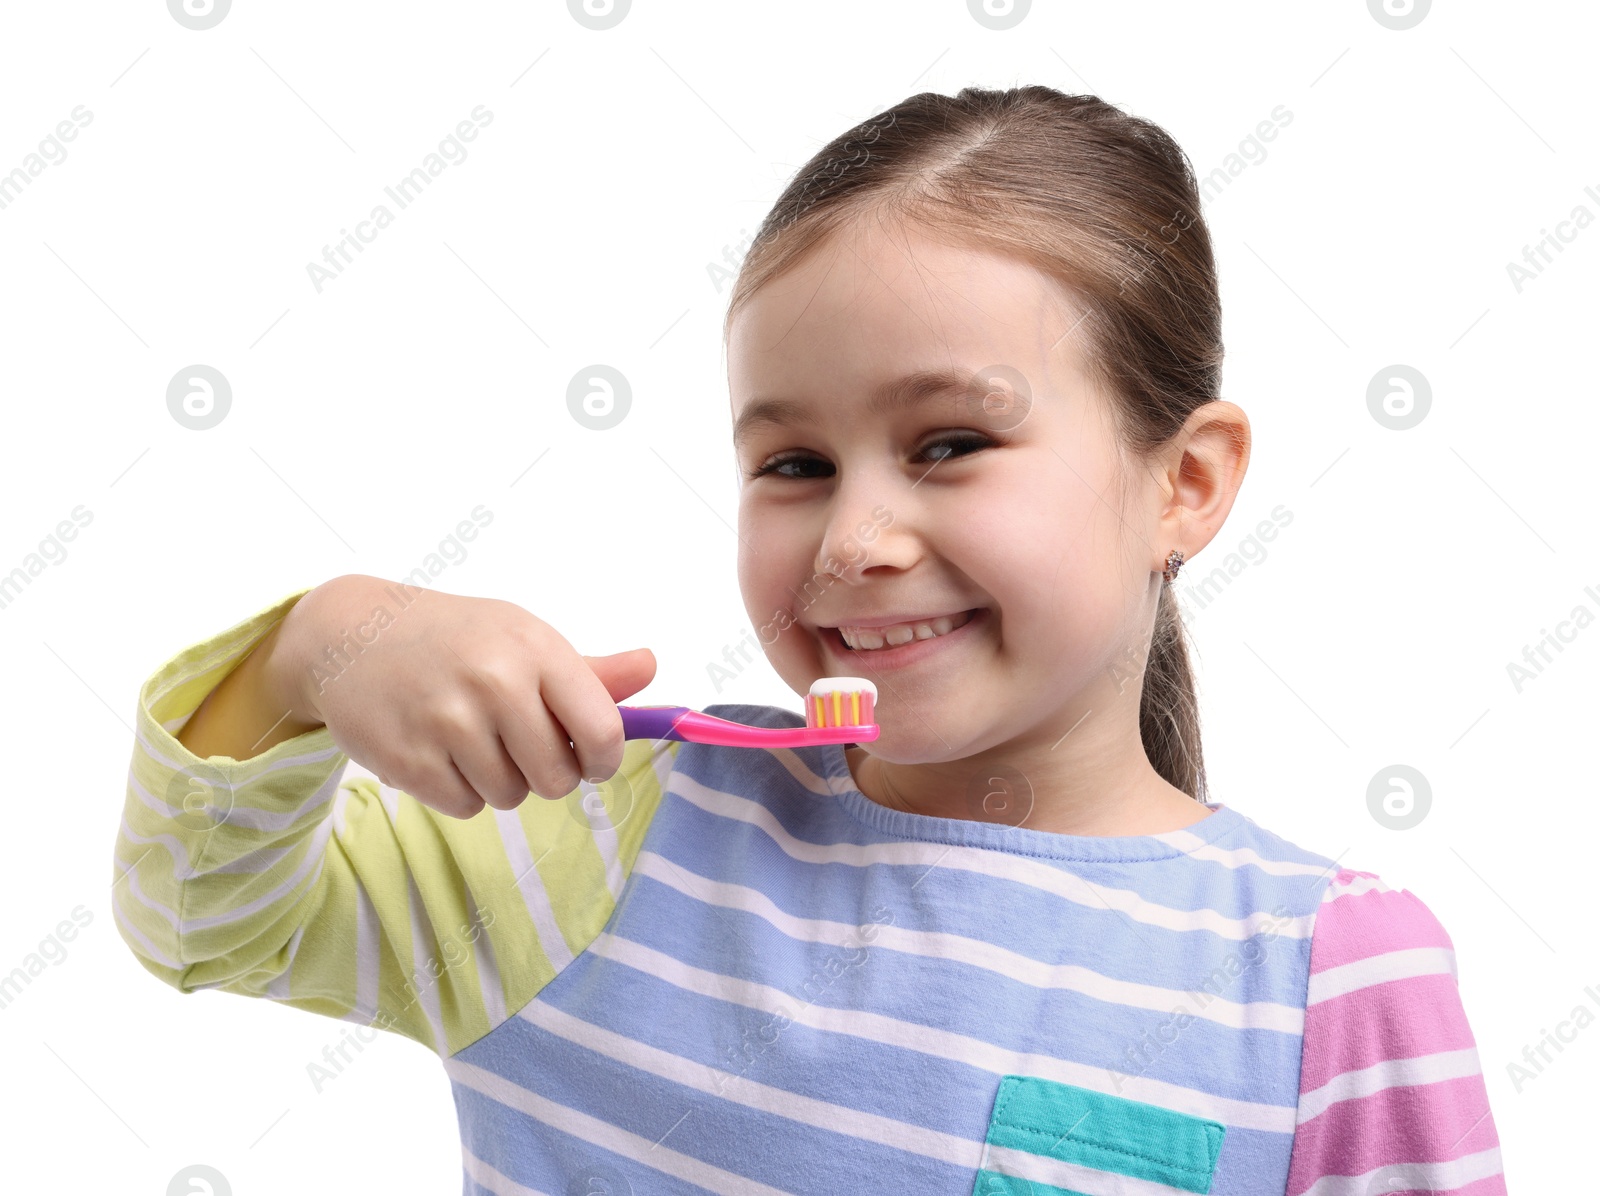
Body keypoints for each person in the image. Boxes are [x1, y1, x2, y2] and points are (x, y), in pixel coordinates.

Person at [113, 86, 1506, 1194]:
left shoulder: (1328, 971)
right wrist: (317, 650)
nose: (853, 540)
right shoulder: (599, 842)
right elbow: (198, 922)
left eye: (951, 443)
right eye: (792, 465)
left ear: (1185, 484)